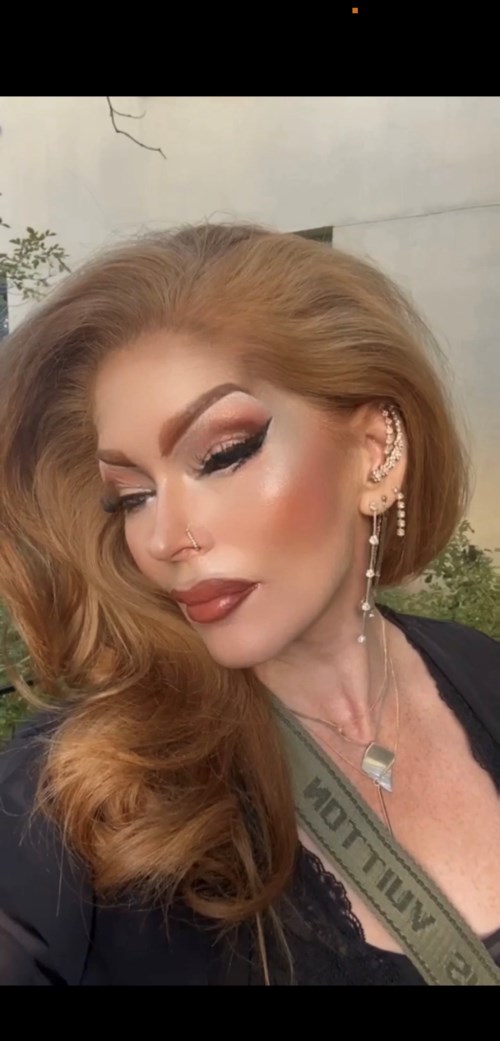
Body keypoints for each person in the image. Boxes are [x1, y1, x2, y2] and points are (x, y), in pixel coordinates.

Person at [0, 221, 499, 987]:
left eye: (222, 455)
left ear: (374, 453)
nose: (166, 537)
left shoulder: (482, 673)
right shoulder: (71, 794)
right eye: (130, 496)